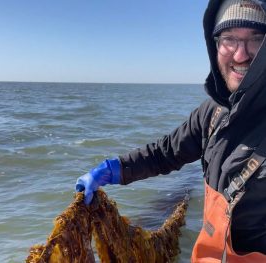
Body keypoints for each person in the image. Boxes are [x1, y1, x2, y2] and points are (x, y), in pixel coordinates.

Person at [76, 0, 266, 262]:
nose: (240, 54)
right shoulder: (212, 112)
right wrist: (114, 169)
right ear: (215, 46)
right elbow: (166, 152)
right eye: (229, 39)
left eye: (256, 39)